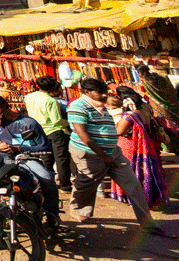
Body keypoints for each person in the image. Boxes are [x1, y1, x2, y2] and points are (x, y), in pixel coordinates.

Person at [67, 78, 157, 233]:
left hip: (112, 153)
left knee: (133, 185)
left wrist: (109, 153)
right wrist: (103, 156)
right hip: (89, 154)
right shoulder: (78, 106)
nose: (103, 95)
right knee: (87, 184)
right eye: (99, 92)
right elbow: (83, 135)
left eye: (104, 92)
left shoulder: (102, 106)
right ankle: (78, 210)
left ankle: (147, 223)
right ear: (86, 92)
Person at [0, 93, 58, 225]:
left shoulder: (28, 123)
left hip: (26, 158)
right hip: (3, 158)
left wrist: (18, 149)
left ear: (3, 107)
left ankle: (52, 218)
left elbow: (44, 147)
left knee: (47, 179)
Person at [109, 86, 169, 211]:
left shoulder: (129, 115)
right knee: (145, 171)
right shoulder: (145, 111)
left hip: (130, 146)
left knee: (130, 173)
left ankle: (136, 199)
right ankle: (149, 197)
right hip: (145, 146)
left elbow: (119, 131)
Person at [24, 76, 72, 193]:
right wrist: (70, 122)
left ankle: (46, 183)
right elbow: (57, 121)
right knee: (61, 159)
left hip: (39, 131)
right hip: (55, 132)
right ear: (52, 88)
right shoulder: (50, 101)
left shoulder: (29, 97)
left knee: (46, 159)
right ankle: (65, 186)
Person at [137, 64, 179, 153]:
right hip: (174, 106)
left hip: (160, 108)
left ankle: (171, 145)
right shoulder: (161, 78)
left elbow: (145, 96)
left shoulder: (146, 82)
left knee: (165, 126)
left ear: (140, 73)